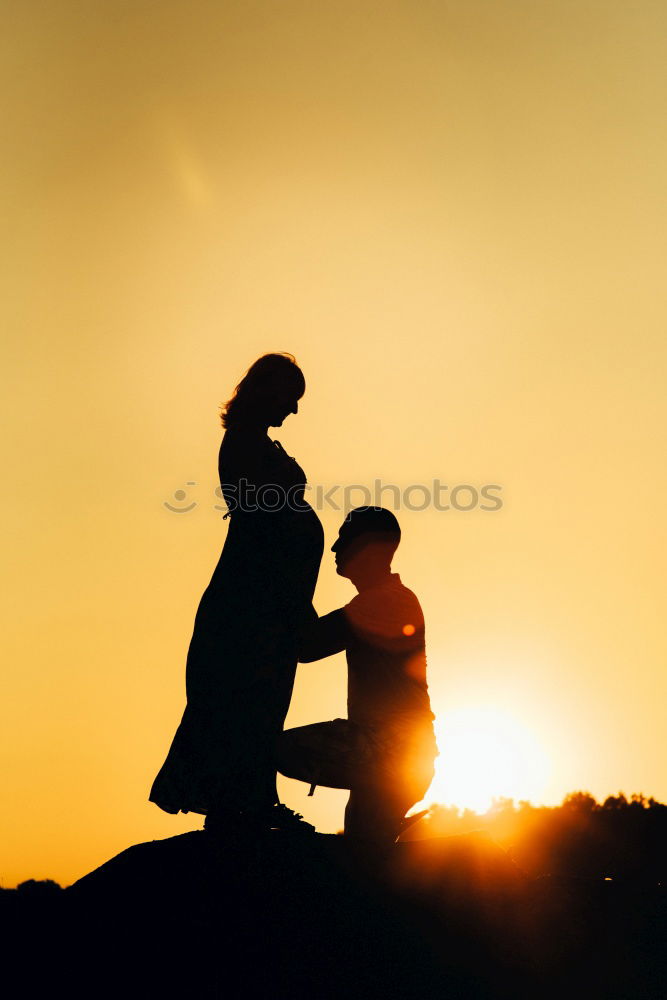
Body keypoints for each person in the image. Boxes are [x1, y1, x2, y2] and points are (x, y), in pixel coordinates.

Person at [149, 353, 324, 833]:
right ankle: (243, 807)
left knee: (262, 701)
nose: (293, 411)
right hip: (251, 601)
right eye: (290, 398)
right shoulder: (244, 445)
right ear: (268, 391)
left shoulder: (256, 443)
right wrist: (291, 600)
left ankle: (251, 802)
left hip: (268, 600)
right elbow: (264, 531)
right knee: (245, 700)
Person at [276, 507, 437, 844]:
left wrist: (290, 578)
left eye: (344, 540)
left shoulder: (382, 603)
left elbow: (306, 646)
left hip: (387, 751)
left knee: (275, 749)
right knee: (364, 852)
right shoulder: (386, 600)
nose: (334, 549)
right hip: (401, 754)